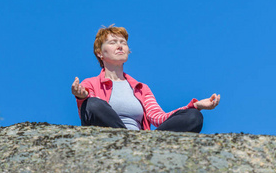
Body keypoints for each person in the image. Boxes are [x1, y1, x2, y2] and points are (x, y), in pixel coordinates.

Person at [71, 25, 220, 133]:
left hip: (140, 138)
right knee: (93, 104)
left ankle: (140, 143)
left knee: (194, 117)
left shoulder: (141, 88)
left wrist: (196, 106)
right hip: (108, 136)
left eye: (123, 43)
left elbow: (159, 117)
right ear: (99, 53)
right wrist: (82, 96)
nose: (120, 46)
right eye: (113, 42)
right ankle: (125, 139)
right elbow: (90, 112)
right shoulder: (90, 83)